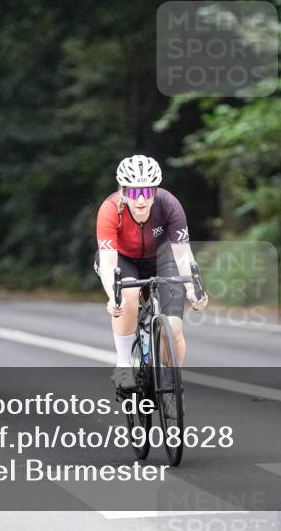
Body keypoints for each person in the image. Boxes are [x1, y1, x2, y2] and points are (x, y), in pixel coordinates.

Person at [94, 155, 208, 390]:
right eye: (135, 193)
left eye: (147, 191)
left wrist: (193, 290)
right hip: (123, 260)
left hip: (162, 259)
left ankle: (170, 381)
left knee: (174, 328)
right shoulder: (109, 210)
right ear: (123, 191)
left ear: (156, 191)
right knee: (129, 295)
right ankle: (124, 365)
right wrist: (113, 297)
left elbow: (183, 254)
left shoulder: (169, 204)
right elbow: (107, 262)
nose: (142, 200)